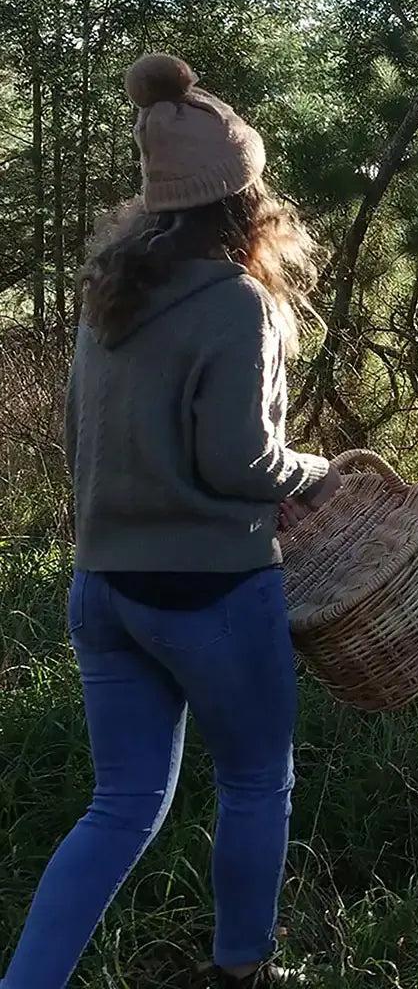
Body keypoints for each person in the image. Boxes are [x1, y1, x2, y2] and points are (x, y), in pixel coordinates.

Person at [0, 54, 341, 989]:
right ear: (246, 199)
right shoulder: (239, 304)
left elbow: (82, 442)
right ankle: (242, 971)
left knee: (118, 807)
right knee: (255, 784)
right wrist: (315, 469)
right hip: (212, 594)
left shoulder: (108, 297)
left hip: (102, 587)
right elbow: (241, 465)